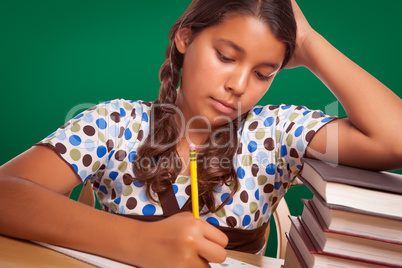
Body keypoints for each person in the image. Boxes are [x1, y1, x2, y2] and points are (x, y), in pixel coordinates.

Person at [0, 0, 401, 267]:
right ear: (185, 38)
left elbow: (394, 141)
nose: (240, 85)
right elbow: (6, 192)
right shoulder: (115, 123)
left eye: (265, 73)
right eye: (226, 57)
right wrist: (138, 243)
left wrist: (311, 43)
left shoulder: (276, 134)